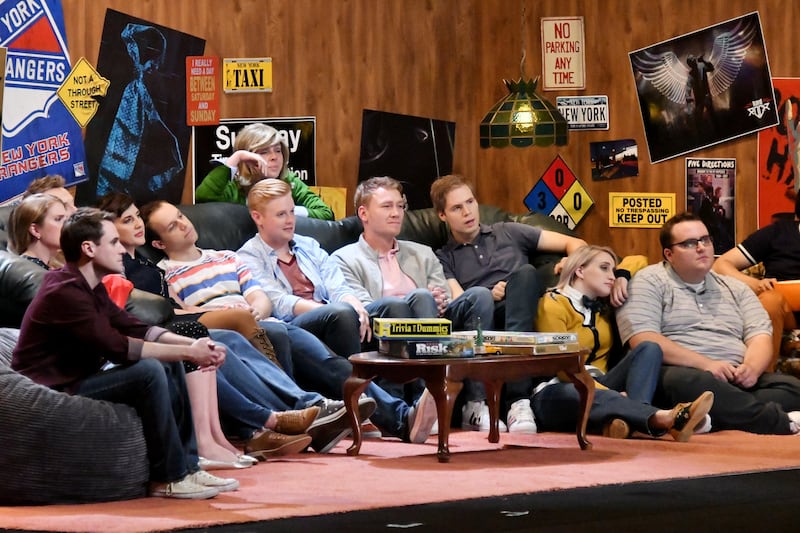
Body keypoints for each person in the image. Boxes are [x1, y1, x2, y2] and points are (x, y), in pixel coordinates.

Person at [140, 199, 438, 446]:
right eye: (172, 226)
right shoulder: (164, 274)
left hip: (261, 319)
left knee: (327, 359)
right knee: (279, 332)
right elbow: (177, 313)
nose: (183, 223)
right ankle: (310, 418)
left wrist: (254, 312)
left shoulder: (226, 256)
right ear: (158, 242)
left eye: (180, 216)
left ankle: (401, 419)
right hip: (224, 326)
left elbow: (260, 297)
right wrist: (238, 315)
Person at [96, 192, 357, 457]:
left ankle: (304, 413)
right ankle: (297, 412)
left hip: (195, 322)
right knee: (229, 336)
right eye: (128, 221)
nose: (137, 224)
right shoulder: (120, 267)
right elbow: (156, 311)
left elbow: (176, 304)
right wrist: (220, 310)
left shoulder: (147, 264)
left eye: (137, 217)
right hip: (169, 328)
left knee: (234, 340)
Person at [11, 208, 237, 499]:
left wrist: (187, 346)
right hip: (53, 387)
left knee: (168, 363)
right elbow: (120, 348)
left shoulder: (89, 284)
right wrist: (188, 352)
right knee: (150, 369)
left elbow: (133, 326)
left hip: (77, 376)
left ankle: (188, 467)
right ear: (89, 248)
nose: (122, 250)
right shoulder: (65, 291)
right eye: (114, 242)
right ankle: (168, 477)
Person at [430, 174, 589, 433]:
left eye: (470, 202)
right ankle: (516, 399)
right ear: (442, 216)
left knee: (525, 274)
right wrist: (489, 294)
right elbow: (460, 300)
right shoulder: (443, 257)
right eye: (457, 208)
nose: (468, 211)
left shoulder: (508, 231)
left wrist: (566, 264)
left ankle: (517, 400)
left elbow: (575, 243)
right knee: (499, 289)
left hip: (524, 307)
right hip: (486, 320)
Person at [616, 212, 800, 435]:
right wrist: (706, 364)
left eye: (705, 240)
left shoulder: (736, 287)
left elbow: (760, 335)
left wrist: (751, 368)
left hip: (734, 376)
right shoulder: (649, 281)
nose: (702, 247)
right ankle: (774, 421)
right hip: (681, 372)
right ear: (669, 254)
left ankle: (706, 418)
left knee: (793, 388)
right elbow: (643, 340)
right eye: (689, 243)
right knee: (688, 382)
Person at [332, 176, 492, 423]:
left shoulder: (422, 252)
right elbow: (361, 306)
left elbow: (443, 294)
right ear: (363, 213)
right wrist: (421, 298)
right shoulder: (344, 259)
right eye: (387, 206)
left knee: (479, 296)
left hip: (433, 322)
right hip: (384, 328)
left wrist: (439, 299)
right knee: (416, 298)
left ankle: (475, 404)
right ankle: (424, 400)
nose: (396, 213)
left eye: (400, 206)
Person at [534, 245, 713, 441]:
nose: (611, 276)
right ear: (580, 270)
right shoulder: (552, 304)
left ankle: (626, 422)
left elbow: (639, 259)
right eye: (604, 268)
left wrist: (622, 276)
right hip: (558, 390)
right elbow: (564, 368)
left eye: (612, 270)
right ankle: (667, 418)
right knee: (582, 391)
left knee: (649, 347)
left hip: (602, 382)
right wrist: (613, 395)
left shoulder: (601, 308)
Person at [238, 178, 369, 358]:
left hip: (335, 312)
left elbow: (337, 286)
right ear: (257, 217)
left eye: (292, 212)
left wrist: (355, 305)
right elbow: (279, 302)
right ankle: (354, 381)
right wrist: (328, 310)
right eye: (281, 214)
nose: (290, 220)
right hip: (294, 324)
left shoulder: (309, 245)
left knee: (391, 307)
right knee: (342, 313)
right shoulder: (249, 256)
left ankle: (402, 386)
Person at [712, 195, 800, 369]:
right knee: (770, 300)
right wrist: (756, 284)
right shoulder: (778, 232)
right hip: (786, 310)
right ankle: (766, 379)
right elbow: (721, 265)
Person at [195, 123, 334, 220]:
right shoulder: (234, 187)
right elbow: (203, 198)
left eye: (278, 151)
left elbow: (326, 214)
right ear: (249, 157)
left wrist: (286, 212)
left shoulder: (288, 181)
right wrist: (237, 157)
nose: (274, 157)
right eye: (264, 152)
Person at [7, 193, 67, 270]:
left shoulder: (50, 265)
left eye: (67, 219)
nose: (67, 224)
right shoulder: (29, 271)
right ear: (35, 230)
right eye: (58, 219)